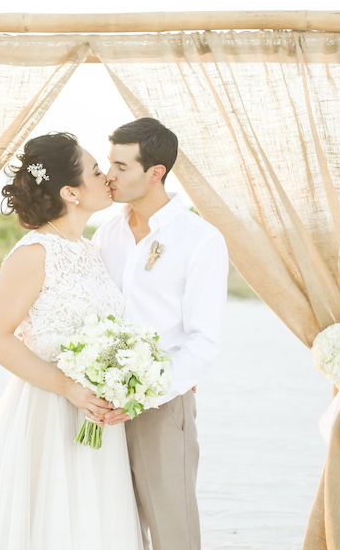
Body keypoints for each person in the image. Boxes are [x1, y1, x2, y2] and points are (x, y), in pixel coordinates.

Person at [0, 132, 144, 550]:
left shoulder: (89, 249)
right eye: (97, 172)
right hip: (49, 409)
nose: (106, 179)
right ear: (70, 192)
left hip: (94, 412)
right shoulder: (34, 253)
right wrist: (69, 388)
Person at [95, 118, 229, 550]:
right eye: (108, 163)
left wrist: (141, 395)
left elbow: (204, 340)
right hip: (95, 403)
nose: (109, 175)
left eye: (121, 166)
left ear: (156, 172)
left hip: (162, 404)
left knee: (173, 530)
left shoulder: (201, 240)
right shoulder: (105, 233)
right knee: (107, 525)